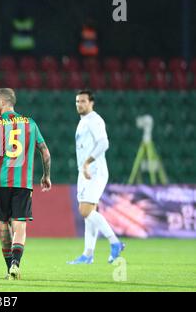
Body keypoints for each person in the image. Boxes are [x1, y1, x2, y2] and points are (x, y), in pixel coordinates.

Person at [0, 88, 51, 280]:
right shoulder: (30, 123)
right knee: (19, 225)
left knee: (4, 225)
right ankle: (15, 264)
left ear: (3, 102)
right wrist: (46, 175)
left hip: (0, 182)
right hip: (22, 182)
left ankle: (8, 268)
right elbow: (45, 152)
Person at [67, 89, 124, 265]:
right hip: (85, 172)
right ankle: (88, 254)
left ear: (91, 102)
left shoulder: (94, 120)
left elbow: (104, 143)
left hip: (94, 171)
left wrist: (87, 162)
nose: (79, 104)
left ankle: (115, 243)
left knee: (85, 211)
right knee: (89, 213)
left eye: (83, 101)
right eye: (77, 101)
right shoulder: (83, 121)